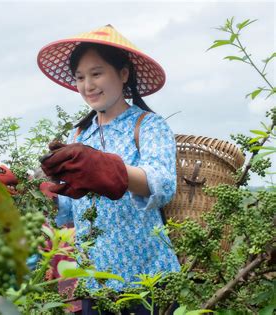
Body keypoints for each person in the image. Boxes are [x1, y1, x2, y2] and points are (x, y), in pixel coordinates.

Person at [37, 25, 180, 314]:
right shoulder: (79, 136)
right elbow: (68, 208)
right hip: (96, 283)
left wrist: (109, 169)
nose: (87, 85)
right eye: (80, 77)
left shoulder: (148, 125)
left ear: (123, 74)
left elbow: (163, 184)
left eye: (96, 73)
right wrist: (37, 187)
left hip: (149, 280)